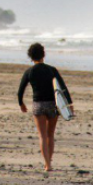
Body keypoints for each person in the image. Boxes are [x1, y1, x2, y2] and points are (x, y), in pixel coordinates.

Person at [17, 43, 74, 172]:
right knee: (50, 135)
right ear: (44, 54)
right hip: (52, 105)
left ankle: (47, 164)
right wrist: (69, 104)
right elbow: (63, 87)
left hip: (38, 105)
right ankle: (49, 162)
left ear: (30, 57)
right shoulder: (51, 70)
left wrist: (21, 103)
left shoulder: (29, 72)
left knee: (42, 136)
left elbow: (20, 91)